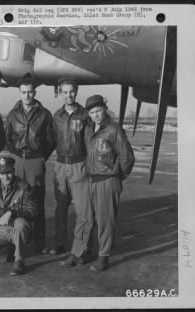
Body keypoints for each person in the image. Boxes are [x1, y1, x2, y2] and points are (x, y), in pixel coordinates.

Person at [83, 95, 135, 272]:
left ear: (105, 109)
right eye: (92, 112)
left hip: (108, 180)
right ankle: (90, 251)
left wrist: (118, 176)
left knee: (106, 220)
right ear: (88, 114)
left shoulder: (114, 129)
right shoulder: (89, 129)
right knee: (91, 218)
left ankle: (103, 257)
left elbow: (127, 156)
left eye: (98, 110)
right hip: (92, 179)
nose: (96, 115)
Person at [5, 78, 56, 254]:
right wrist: (15, 155)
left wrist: (41, 157)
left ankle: (39, 242)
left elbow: (51, 140)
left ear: (35, 92)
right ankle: (15, 242)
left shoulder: (44, 114)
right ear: (20, 92)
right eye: (24, 92)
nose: (27, 95)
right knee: (15, 199)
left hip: (36, 161)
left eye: (30, 91)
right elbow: (8, 138)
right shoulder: (13, 114)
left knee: (36, 199)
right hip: (18, 160)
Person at [49, 78, 91, 265]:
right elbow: (50, 141)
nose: (69, 95)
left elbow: (91, 143)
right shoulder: (56, 116)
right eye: (65, 92)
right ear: (59, 93)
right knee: (60, 208)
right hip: (60, 165)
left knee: (83, 210)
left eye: (71, 91)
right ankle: (59, 242)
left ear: (77, 91)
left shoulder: (85, 116)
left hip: (79, 164)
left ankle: (80, 249)